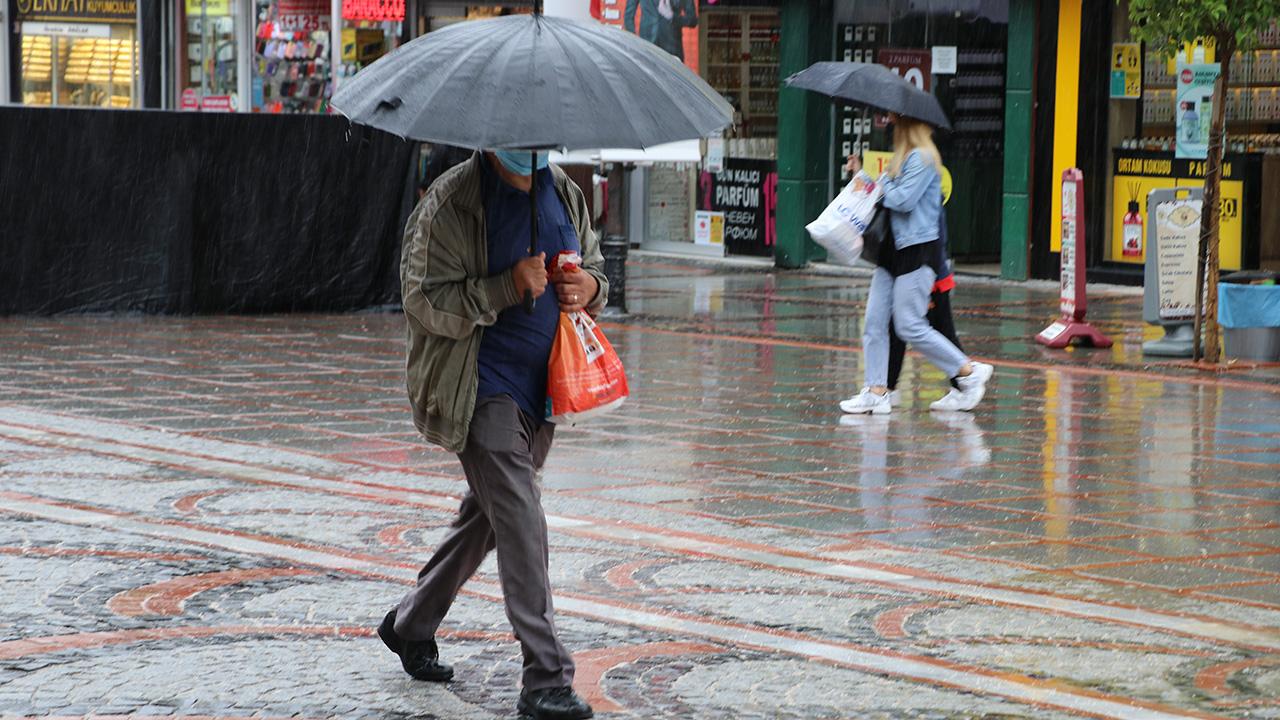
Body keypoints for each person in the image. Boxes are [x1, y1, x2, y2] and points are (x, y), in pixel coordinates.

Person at [379, 148, 606, 720]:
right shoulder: (454, 201)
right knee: (522, 520)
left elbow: (595, 263)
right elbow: (423, 299)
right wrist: (504, 286)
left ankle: (411, 623)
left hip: (545, 388)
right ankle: (545, 680)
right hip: (479, 389)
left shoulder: (562, 189)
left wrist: (590, 288)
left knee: (489, 516)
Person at [840, 114, 992, 414]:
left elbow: (904, 200)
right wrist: (862, 176)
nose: (892, 128)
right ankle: (876, 391)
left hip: (916, 250)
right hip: (891, 252)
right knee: (874, 322)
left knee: (909, 325)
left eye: (896, 124)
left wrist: (881, 186)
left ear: (908, 127)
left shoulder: (923, 158)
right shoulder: (903, 158)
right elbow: (883, 195)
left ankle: (968, 371)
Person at [884, 204, 965, 408]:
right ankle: (888, 387)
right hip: (918, 271)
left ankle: (964, 384)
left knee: (943, 331)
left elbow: (937, 238)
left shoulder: (925, 190)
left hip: (931, 276)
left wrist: (931, 277)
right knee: (896, 330)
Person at [623, 0, 698, 61]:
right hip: (647, 45)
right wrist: (635, 42)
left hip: (672, 47)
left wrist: (672, 16)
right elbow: (628, 16)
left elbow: (693, 20)